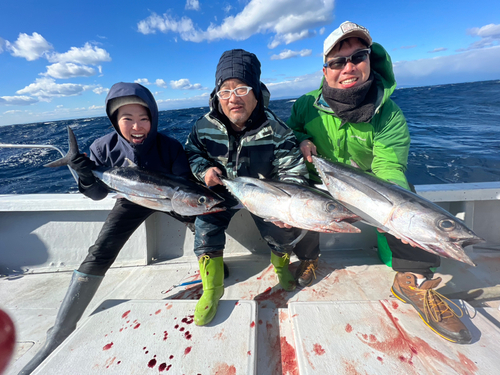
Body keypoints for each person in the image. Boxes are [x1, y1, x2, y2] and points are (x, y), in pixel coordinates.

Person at [287, 21, 471, 344]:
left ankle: (411, 279)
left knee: (406, 198)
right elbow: (291, 132)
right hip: (323, 185)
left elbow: (389, 169)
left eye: (358, 56)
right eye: (338, 61)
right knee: (294, 191)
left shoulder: (389, 115)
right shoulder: (305, 105)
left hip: (371, 194)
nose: (349, 67)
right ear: (325, 70)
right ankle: (309, 257)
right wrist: (302, 140)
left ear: (371, 60)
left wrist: (397, 219)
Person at [19, 82, 197, 374]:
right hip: (129, 201)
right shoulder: (102, 147)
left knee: (201, 222)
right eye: (127, 119)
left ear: (153, 118)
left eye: (144, 118)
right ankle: (60, 330)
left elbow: (184, 189)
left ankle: (211, 268)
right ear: (115, 121)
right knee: (100, 251)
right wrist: (85, 174)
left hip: (167, 200)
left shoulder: (170, 146)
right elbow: (98, 194)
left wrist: (192, 214)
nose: (137, 126)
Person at [185, 49, 320, 326]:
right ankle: (212, 288)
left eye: (241, 88)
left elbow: (292, 170)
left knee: (283, 230)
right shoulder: (203, 126)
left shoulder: (276, 130)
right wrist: (203, 170)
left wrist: (285, 208)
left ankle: (281, 265)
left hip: (263, 195)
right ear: (217, 95)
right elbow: (191, 154)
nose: (233, 98)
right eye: (225, 91)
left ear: (256, 91)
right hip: (222, 191)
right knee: (205, 227)